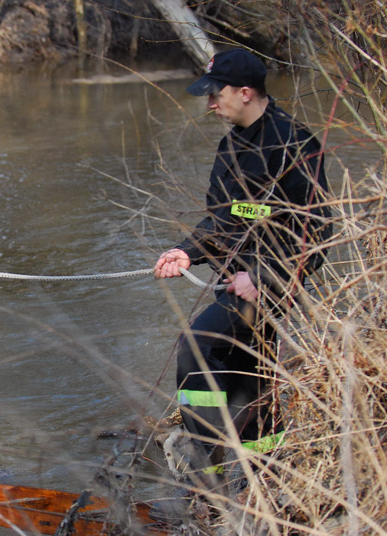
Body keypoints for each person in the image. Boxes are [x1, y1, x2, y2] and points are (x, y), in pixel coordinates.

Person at [152, 49, 332, 498]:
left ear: (245, 92)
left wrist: (263, 275)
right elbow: (222, 220)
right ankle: (265, 479)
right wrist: (186, 251)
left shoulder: (294, 142)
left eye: (216, 94)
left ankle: (205, 481)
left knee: (196, 348)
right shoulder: (231, 145)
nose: (211, 104)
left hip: (274, 283)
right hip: (237, 281)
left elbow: (318, 231)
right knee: (247, 367)